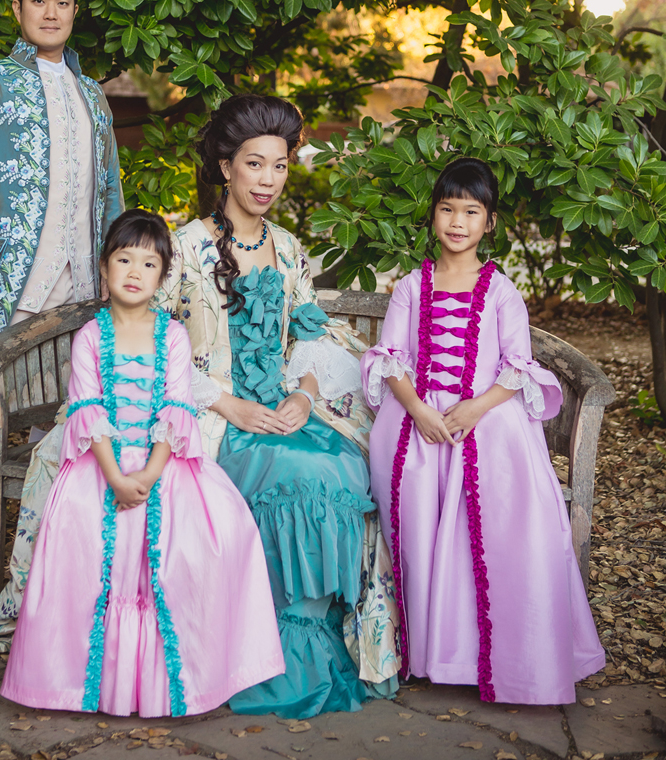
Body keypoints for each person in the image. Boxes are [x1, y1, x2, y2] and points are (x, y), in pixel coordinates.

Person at [153, 94, 399, 718]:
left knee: (343, 465)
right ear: (226, 166)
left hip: (283, 409)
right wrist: (228, 405)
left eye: (281, 165)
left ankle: (319, 649)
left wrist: (303, 394)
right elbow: (156, 345)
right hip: (219, 415)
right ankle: (265, 657)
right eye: (255, 164)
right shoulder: (185, 248)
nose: (268, 180)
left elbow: (312, 336)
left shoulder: (288, 248)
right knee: (301, 473)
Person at [0, 209, 283, 716]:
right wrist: (114, 478)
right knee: (84, 553)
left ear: (162, 275)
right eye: (124, 259)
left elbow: (175, 407)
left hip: (161, 465)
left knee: (221, 536)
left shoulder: (172, 336)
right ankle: (89, 683)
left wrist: (149, 476)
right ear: (105, 272)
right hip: (102, 466)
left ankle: (184, 677)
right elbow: (88, 410)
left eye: (148, 263)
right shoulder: (89, 337)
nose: (135, 271)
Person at [361, 156, 605, 705]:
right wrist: (420, 409)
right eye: (447, 209)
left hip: (486, 417)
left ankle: (502, 654)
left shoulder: (500, 291)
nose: (457, 221)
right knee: (418, 494)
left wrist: (474, 409)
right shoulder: (409, 287)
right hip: (419, 415)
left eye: (471, 211)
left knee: (505, 506)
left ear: (489, 222)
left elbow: (517, 366)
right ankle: (429, 652)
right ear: (432, 216)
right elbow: (391, 357)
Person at [0, 0, 123, 608]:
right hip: (6, 282)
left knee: (59, 416)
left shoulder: (94, 96)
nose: (51, 13)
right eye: (38, 1)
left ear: (75, 12)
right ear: (17, 10)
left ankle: (41, 557)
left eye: (63, 2)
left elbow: (110, 191)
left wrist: (115, 276)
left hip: (78, 288)